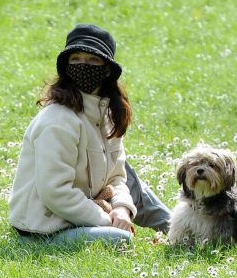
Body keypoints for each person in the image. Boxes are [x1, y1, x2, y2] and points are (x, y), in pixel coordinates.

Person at [9, 24, 170, 245]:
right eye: (75, 59)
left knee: (131, 177)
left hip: (83, 216)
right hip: (46, 230)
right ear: (66, 68)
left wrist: (122, 210)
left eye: (93, 60)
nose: (83, 65)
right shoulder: (57, 120)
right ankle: (180, 230)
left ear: (106, 70)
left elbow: (118, 177)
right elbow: (56, 192)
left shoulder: (107, 115)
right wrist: (106, 219)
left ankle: (181, 230)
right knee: (120, 240)